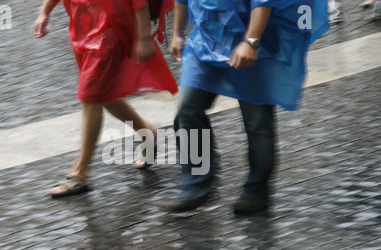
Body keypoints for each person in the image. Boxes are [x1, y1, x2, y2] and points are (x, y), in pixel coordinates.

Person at [164, 0, 329, 213]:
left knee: (258, 122)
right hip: (204, 42)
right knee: (187, 110)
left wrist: (251, 42)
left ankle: (257, 191)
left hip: (251, 44)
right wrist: (177, 33)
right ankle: (195, 187)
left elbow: (264, 2)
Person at [33, 0, 178, 198]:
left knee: (91, 96)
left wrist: (143, 37)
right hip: (83, 29)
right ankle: (147, 132)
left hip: (110, 31)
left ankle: (80, 172)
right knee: (103, 95)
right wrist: (44, 12)